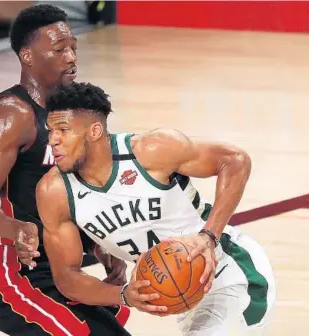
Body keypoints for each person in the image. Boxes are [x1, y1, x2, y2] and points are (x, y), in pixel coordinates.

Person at [35, 82, 277, 335]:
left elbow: (235, 160)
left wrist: (208, 236)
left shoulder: (150, 151)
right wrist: (123, 295)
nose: (53, 140)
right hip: (184, 293)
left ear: (94, 131)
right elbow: (66, 277)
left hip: (230, 271)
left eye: (63, 130)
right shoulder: (54, 192)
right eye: (50, 130)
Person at [0, 6, 130, 336]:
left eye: (73, 48)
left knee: (113, 322)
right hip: (9, 272)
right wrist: (15, 228)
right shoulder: (13, 115)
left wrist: (101, 245)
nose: (71, 57)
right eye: (59, 49)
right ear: (27, 56)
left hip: (61, 268)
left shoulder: (72, 116)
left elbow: (73, 196)